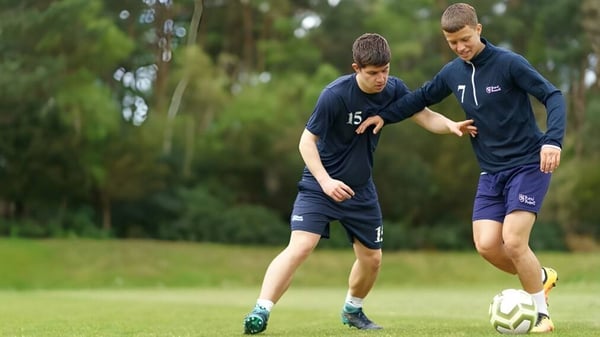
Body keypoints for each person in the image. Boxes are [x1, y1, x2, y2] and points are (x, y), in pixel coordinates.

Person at [242, 33, 477, 334]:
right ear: (356, 68)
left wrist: (451, 125)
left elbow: (424, 115)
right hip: (320, 186)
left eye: (385, 71)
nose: (381, 79)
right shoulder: (335, 95)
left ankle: (353, 310)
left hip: (361, 190)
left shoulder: (393, 89)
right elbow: (306, 141)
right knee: (301, 246)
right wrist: (326, 182)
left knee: (372, 259)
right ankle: (261, 310)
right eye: (373, 73)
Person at [356, 3, 565, 333]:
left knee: (513, 240)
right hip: (491, 172)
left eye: (466, 39)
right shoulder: (452, 72)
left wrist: (553, 140)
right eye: (453, 43)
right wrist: (385, 116)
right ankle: (540, 277)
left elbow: (553, 96)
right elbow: (420, 98)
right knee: (486, 246)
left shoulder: (509, 64)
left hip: (528, 164)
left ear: (479, 30)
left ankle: (541, 314)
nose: (461, 47)